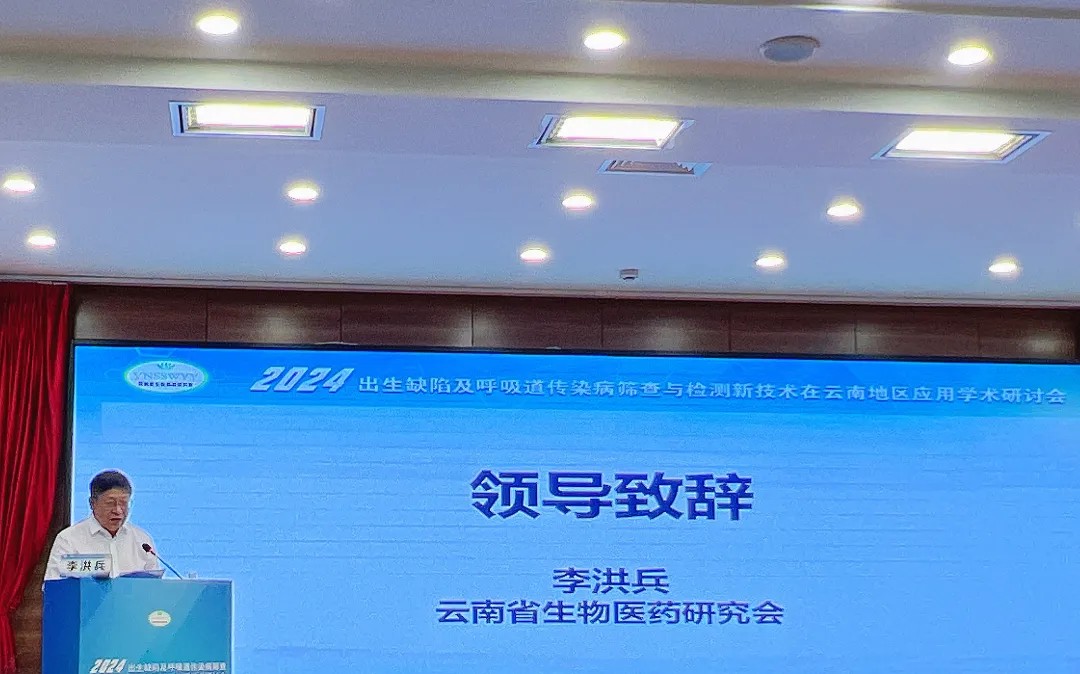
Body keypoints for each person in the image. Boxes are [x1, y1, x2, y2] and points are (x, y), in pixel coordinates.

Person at [44, 470, 161, 581]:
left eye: (124, 503)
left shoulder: (142, 541)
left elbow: (154, 588)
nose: (118, 510)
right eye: (110, 503)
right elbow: (54, 585)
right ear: (92, 503)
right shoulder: (68, 539)